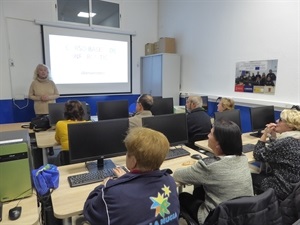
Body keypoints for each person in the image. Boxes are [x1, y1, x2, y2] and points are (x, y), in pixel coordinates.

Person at [83, 127, 180, 225]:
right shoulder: (169, 180)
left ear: (133, 161)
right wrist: (127, 179)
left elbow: (89, 211)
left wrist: (103, 186)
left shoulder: (113, 193)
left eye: (127, 152)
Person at [173, 120, 253, 224]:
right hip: (245, 215)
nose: (208, 135)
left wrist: (196, 167)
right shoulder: (243, 157)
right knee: (199, 190)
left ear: (218, 144)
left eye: (210, 133)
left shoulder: (208, 166)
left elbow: (177, 175)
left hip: (217, 219)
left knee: (183, 196)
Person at [252, 109, 300, 201]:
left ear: (290, 126)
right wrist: (273, 136)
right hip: (295, 187)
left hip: (283, 187)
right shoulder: (295, 138)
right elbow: (278, 152)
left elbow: (257, 154)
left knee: (250, 176)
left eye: (281, 120)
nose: (277, 121)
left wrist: (265, 134)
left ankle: (257, 208)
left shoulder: (285, 142)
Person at [55, 100, 87, 165]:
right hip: (85, 157)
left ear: (66, 112)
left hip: (67, 159)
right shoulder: (88, 124)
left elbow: (58, 140)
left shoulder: (60, 124)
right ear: (82, 111)